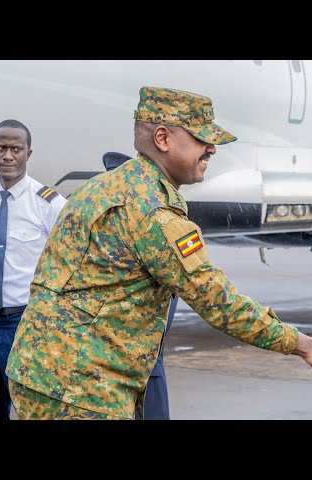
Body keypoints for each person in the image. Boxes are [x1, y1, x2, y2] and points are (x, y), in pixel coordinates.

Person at [5, 87, 312, 420]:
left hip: (37, 371)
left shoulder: (100, 187)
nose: (212, 149)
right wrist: (305, 345)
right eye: (201, 139)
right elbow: (220, 304)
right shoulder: (155, 215)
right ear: (163, 138)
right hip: (83, 390)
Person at [0, 119, 66, 420]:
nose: (7, 155)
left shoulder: (50, 204)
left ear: (28, 154)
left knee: (31, 410)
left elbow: (65, 260)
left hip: (24, 324)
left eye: (16, 149)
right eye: (1, 148)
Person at [102, 150, 178, 420]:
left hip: (144, 355)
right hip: (106, 359)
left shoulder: (161, 224)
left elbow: (170, 300)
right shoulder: (109, 228)